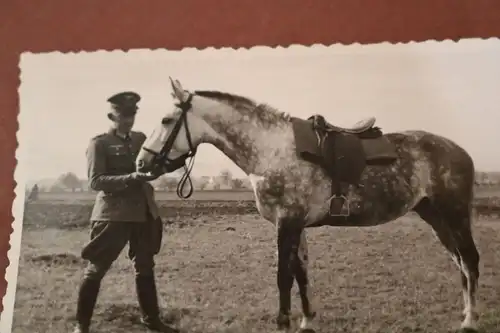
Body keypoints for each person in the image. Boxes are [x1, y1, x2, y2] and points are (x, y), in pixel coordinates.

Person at [72, 91, 178, 333]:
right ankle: (82, 326)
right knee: (96, 269)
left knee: (145, 266)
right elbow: (96, 181)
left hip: (143, 214)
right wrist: (131, 178)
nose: (128, 119)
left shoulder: (142, 138)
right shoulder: (99, 143)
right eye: (123, 115)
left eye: (132, 114)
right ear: (112, 115)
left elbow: (154, 164)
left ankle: (152, 321)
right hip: (113, 215)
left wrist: (167, 166)